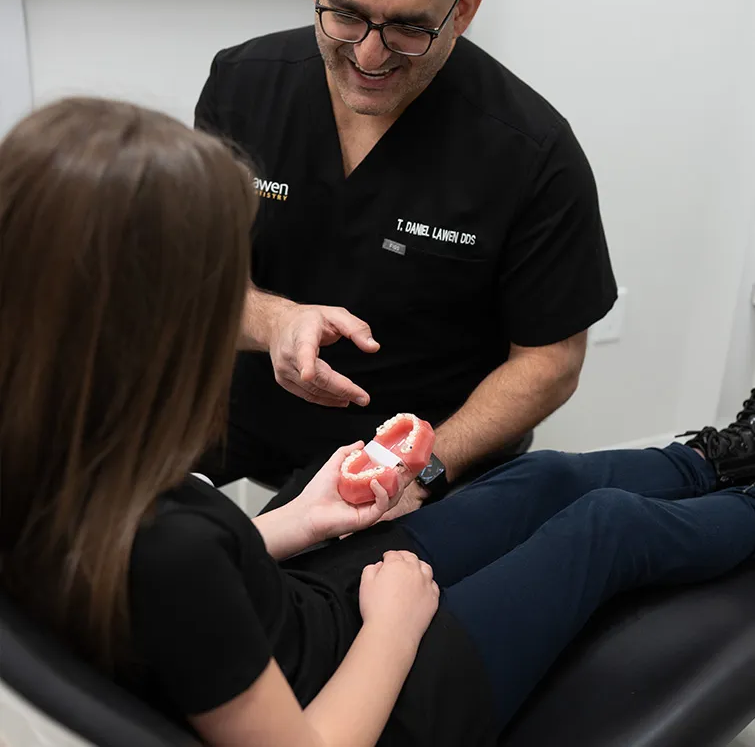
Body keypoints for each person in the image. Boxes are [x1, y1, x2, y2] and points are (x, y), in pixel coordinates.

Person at [3, 98, 755, 747]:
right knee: (606, 529)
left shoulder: (46, 452)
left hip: (302, 608)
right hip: (385, 702)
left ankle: (718, 460)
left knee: (540, 475)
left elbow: (130, 584)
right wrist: (393, 627)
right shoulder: (167, 553)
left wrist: (300, 519)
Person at [195, 0, 618, 512]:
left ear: (463, 10)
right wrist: (274, 321)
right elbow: (193, 281)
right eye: (345, 14)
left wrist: (418, 470)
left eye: (409, 28)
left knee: (310, 599)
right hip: (244, 419)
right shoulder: (242, 83)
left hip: (419, 460)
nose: (370, 57)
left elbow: (550, 361)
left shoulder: (531, 151)